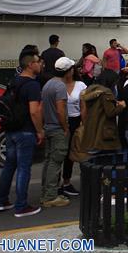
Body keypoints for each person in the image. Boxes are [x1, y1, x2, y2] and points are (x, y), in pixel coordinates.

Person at [0, 53, 43, 218]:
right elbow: (34, 111)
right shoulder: (32, 85)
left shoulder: (13, 81)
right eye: (38, 62)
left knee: (9, 165)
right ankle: (21, 206)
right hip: (25, 130)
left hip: (11, 129)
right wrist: (39, 131)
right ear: (30, 64)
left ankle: (2, 201)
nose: (41, 64)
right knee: (24, 168)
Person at [70, 69, 125, 163]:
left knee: (93, 159)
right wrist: (121, 106)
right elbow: (110, 112)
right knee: (108, 160)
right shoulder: (106, 92)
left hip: (91, 128)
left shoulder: (90, 90)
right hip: (105, 130)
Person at [40, 57, 72, 209]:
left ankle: (46, 193)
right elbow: (61, 109)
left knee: (48, 161)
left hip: (48, 127)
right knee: (55, 162)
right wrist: (65, 128)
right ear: (68, 71)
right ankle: (51, 196)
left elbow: (41, 108)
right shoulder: (59, 86)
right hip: (57, 128)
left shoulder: (48, 84)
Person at [60, 57, 86, 198]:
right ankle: (59, 183)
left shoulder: (81, 85)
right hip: (62, 121)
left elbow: (83, 107)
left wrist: (84, 124)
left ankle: (67, 182)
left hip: (76, 120)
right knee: (61, 153)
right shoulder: (57, 85)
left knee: (75, 153)